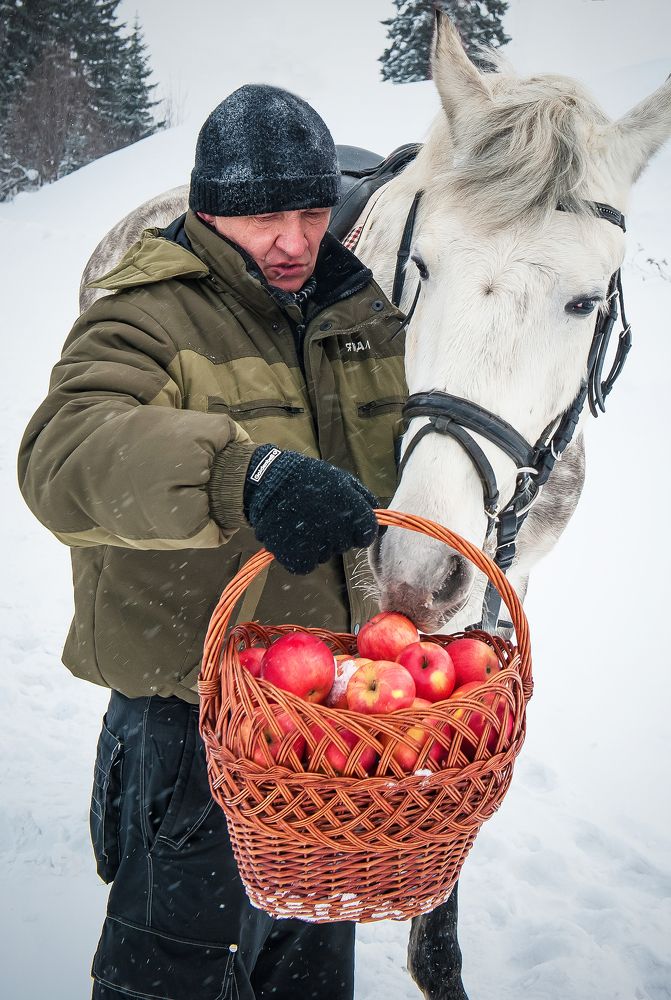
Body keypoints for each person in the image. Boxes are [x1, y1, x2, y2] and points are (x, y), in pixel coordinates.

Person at [18, 84, 406, 999]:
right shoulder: (147, 313)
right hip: (192, 723)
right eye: (264, 216)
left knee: (307, 967)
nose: (294, 240)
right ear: (206, 210)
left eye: (312, 212)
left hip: (323, 724)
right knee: (175, 976)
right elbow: (61, 452)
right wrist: (244, 476)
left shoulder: (357, 315)